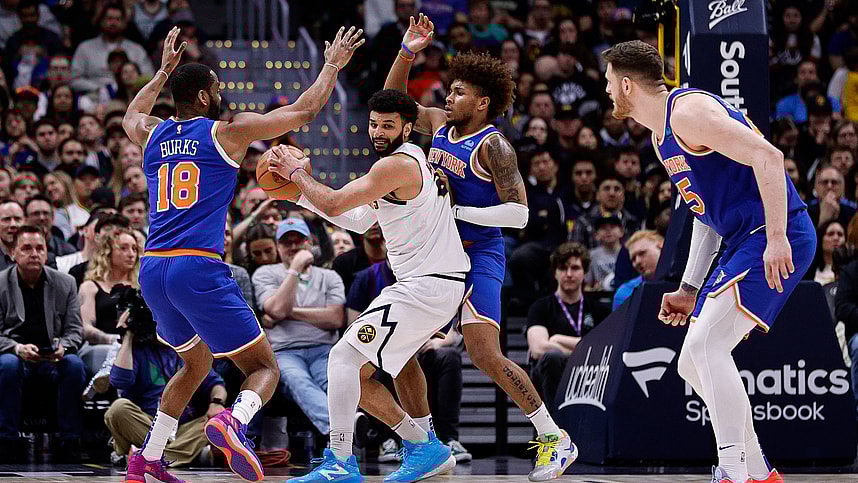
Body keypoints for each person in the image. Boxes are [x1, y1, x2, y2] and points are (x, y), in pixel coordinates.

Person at [120, 26, 365, 483]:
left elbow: (131, 114)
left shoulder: (151, 134)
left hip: (152, 269)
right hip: (197, 264)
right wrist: (331, 64)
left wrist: (161, 72)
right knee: (263, 367)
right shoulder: (229, 132)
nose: (221, 92)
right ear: (202, 95)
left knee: (195, 363)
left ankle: (148, 459)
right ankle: (235, 420)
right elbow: (305, 110)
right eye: (215, 87)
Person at [602, 40, 816, 483]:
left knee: (706, 347)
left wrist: (777, 237)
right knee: (690, 363)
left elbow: (768, 156)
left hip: (774, 232)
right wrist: (688, 287)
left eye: (608, 82)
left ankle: (733, 470)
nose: (605, 91)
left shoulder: (687, 111)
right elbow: (705, 216)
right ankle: (758, 470)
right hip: (744, 237)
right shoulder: (661, 134)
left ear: (626, 85)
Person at [383, 15, 577, 481]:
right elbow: (395, 103)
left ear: (483, 101)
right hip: (434, 255)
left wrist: (455, 213)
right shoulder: (437, 126)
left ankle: (554, 438)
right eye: (448, 91)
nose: (447, 98)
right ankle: (425, 446)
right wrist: (408, 51)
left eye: (458, 93)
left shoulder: (495, 147)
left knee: (485, 354)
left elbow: (520, 215)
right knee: (402, 348)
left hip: (479, 254)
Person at [266, 88, 467, 482]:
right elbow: (358, 220)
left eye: (388, 125)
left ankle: (340, 461)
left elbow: (338, 203)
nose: (377, 131)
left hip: (427, 287)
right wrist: (302, 195)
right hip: (430, 286)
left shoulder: (398, 164)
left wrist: (296, 174)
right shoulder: (399, 167)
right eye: (373, 123)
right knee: (357, 374)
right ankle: (423, 446)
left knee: (341, 358)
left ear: (408, 128)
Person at [252, 218, 345, 438]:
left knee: (335, 383)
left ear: (309, 243)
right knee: (298, 381)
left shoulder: (329, 276)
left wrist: (287, 313)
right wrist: (294, 270)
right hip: (285, 351)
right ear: (277, 247)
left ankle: (343, 434)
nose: (293, 246)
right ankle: (343, 430)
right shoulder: (265, 274)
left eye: (299, 240)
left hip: (324, 348)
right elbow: (275, 309)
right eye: (286, 242)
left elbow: (335, 318)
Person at [0, 225, 85, 462]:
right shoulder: (1, 284)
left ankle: (70, 440)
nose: (34, 253)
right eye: (26, 248)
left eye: (40, 248)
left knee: (74, 364)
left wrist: (64, 347)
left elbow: (75, 331)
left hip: (52, 358)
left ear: (47, 253)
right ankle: (6, 440)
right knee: (7, 365)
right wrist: (17, 348)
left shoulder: (65, 282)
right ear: (12, 253)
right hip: (15, 355)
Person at [526, 242, 607, 408]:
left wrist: (557, 339)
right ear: (555, 273)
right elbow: (538, 349)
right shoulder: (541, 307)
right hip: (551, 373)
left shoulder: (599, 310)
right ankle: (553, 425)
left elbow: (604, 350)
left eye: (575, 268)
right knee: (553, 357)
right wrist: (583, 350)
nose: (569, 274)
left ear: (584, 272)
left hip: (590, 374)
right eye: (563, 268)